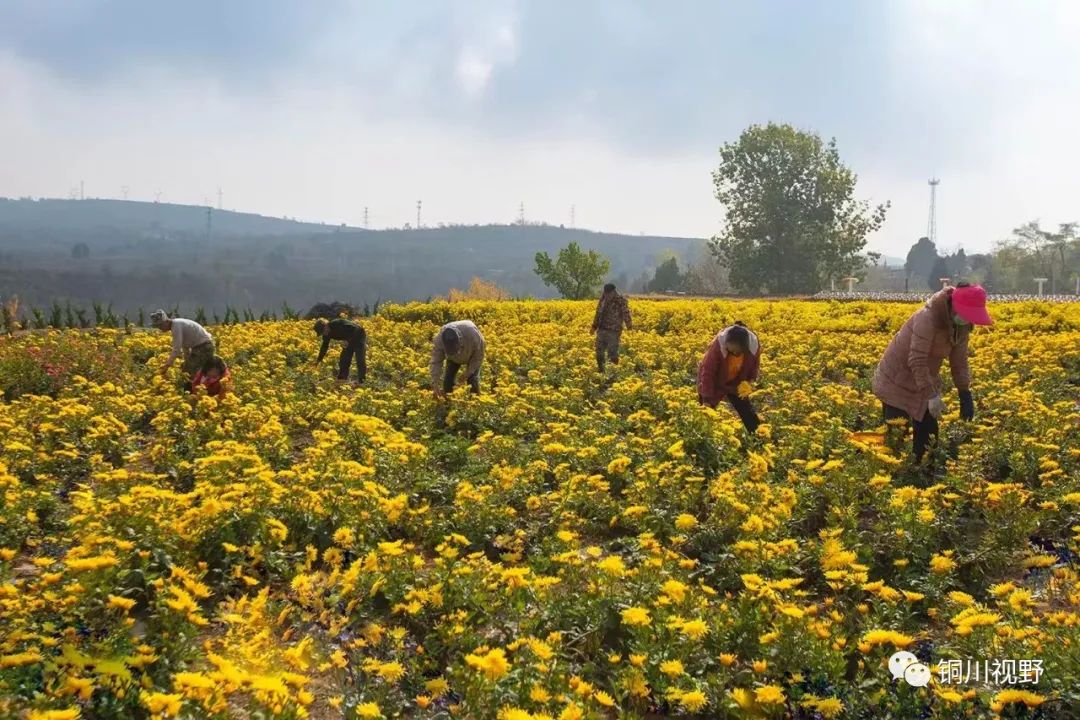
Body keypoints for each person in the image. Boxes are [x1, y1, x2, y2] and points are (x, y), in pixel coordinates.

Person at [872, 282, 992, 462]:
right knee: (897, 437)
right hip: (896, 379)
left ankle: (924, 478)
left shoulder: (961, 327)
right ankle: (893, 480)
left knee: (929, 438)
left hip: (924, 379)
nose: (968, 320)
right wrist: (931, 395)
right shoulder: (927, 318)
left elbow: (959, 362)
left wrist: (964, 392)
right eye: (967, 315)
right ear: (954, 306)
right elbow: (917, 359)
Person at [697, 321, 762, 432]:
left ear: (745, 348)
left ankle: (759, 436)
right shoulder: (718, 346)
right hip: (716, 381)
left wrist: (749, 383)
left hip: (737, 381)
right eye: (729, 350)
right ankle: (702, 438)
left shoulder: (753, 347)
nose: (733, 353)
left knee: (746, 410)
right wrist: (706, 398)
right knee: (706, 411)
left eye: (736, 352)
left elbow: (754, 367)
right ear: (726, 343)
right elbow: (708, 372)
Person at [151, 309, 215, 390]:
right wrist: (186, 361)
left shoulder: (176, 326)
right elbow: (185, 346)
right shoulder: (177, 325)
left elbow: (176, 349)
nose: (159, 328)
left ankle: (192, 391)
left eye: (160, 325)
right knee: (186, 369)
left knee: (189, 372)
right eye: (157, 326)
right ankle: (195, 389)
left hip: (204, 347)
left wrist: (167, 365)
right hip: (202, 347)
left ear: (166, 321)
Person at [430, 320, 485, 397]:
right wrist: (435, 383)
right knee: (448, 381)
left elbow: (478, 356)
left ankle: (475, 404)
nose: (457, 353)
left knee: (472, 381)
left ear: (460, 339)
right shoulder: (439, 339)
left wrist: (468, 373)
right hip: (452, 359)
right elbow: (436, 361)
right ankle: (448, 402)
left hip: (472, 355)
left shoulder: (472, 334)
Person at [590, 283, 633, 371]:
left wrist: (629, 326)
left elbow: (626, 313)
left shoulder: (621, 300)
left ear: (613, 292)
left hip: (614, 331)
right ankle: (601, 371)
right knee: (599, 353)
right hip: (602, 329)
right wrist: (594, 326)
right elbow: (598, 312)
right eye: (605, 293)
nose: (607, 295)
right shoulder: (603, 299)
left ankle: (612, 374)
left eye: (608, 293)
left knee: (612, 354)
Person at [313, 318, 367, 384]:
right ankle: (342, 379)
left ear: (326, 325)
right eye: (322, 333)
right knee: (344, 358)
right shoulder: (326, 334)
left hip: (358, 334)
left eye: (323, 331)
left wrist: (348, 340)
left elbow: (354, 329)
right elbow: (324, 346)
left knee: (360, 358)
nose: (323, 334)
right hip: (348, 339)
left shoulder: (337, 324)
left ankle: (362, 381)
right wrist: (319, 360)